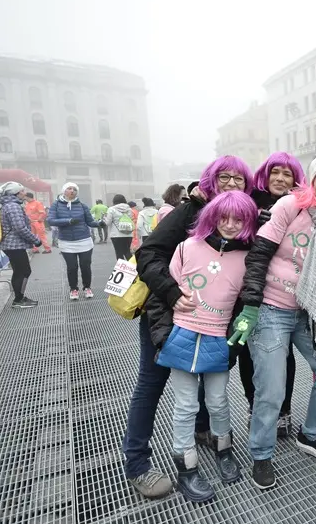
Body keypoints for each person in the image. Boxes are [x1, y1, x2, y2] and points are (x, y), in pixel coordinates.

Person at [122, 155, 253, 499]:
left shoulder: (241, 239)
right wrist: (170, 295)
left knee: (209, 393)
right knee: (152, 386)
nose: (231, 184)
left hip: (212, 327)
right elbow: (149, 254)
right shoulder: (189, 215)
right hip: (168, 316)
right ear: (210, 179)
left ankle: (205, 435)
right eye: (224, 177)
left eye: (239, 179)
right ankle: (137, 463)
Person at [230, 153, 316, 491]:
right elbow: (259, 253)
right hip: (270, 308)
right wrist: (251, 307)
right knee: (271, 387)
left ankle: (311, 434)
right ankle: (262, 453)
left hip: (307, 312)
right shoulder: (289, 206)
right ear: (311, 180)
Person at [155, 191, 257, 502]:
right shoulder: (187, 248)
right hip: (183, 333)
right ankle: (186, 467)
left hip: (217, 337)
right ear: (211, 216)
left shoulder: (246, 257)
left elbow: (244, 303)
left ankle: (224, 450)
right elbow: (165, 291)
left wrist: (234, 344)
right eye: (223, 217)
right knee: (186, 405)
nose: (230, 224)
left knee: (217, 401)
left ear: (248, 222)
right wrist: (163, 335)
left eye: (238, 219)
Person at [249, 151, 306, 438]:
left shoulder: (300, 207)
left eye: (288, 174)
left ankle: (283, 411)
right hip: (247, 290)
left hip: (281, 296)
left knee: (284, 356)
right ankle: (255, 409)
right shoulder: (248, 202)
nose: (281, 179)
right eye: (276, 172)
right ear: (265, 174)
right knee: (252, 358)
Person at [47, 183, 101, 300]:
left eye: (75, 189)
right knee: (72, 267)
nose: (72, 191)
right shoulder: (56, 205)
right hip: (66, 242)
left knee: (85, 266)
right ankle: (73, 289)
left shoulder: (82, 205)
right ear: (63, 191)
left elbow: (90, 222)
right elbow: (50, 220)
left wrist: (99, 224)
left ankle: (87, 287)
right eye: (69, 188)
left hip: (84, 240)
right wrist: (68, 221)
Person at [0, 182, 41, 308]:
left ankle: (20, 297)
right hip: (14, 245)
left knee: (19, 271)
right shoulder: (13, 206)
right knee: (24, 271)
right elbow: (19, 227)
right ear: (15, 193)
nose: (24, 193)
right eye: (22, 191)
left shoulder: (8, 205)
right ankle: (18, 299)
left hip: (10, 245)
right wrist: (35, 239)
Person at [107, 194, 136, 260]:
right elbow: (131, 219)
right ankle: (132, 268)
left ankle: (121, 270)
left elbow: (108, 222)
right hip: (128, 234)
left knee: (119, 253)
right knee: (127, 252)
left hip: (116, 235)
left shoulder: (111, 209)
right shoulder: (129, 209)